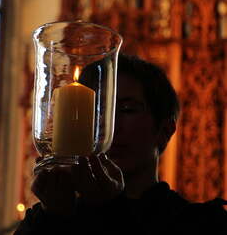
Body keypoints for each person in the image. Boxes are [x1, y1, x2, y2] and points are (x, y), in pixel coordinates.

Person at [14, 54, 227, 235]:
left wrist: (110, 208)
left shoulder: (201, 223)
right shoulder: (49, 216)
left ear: (164, 130)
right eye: (96, 111)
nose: (109, 126)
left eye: (127, 109)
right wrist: (53, 219)